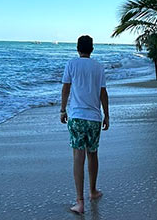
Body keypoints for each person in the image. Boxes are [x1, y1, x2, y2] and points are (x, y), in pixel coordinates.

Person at [60, 35, 109, 215]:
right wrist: (107, 115)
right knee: (93, 153)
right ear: (92, 49)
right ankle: (93, 191)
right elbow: (103, 93)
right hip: (94, 117)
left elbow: (66, 88)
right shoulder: (98, 67)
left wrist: (62, 110)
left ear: (77, 48)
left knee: (78, 156)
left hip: (77, 116)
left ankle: (79, 201)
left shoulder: (71, 64)